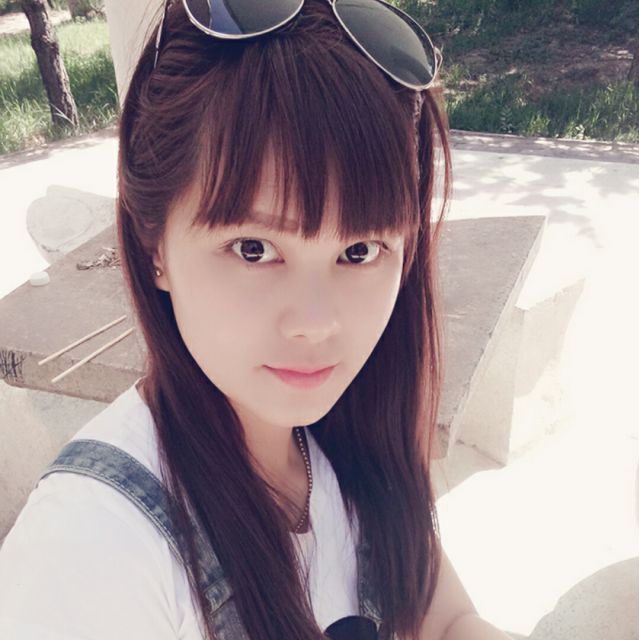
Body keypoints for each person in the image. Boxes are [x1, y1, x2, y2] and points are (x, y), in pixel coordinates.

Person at [0, 1, 513, 639]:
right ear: (155, 245)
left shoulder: (348, 437)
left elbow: (445, 618)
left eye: (359, 251)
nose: (316, 324)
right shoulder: (90, 551)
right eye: (253, 249)